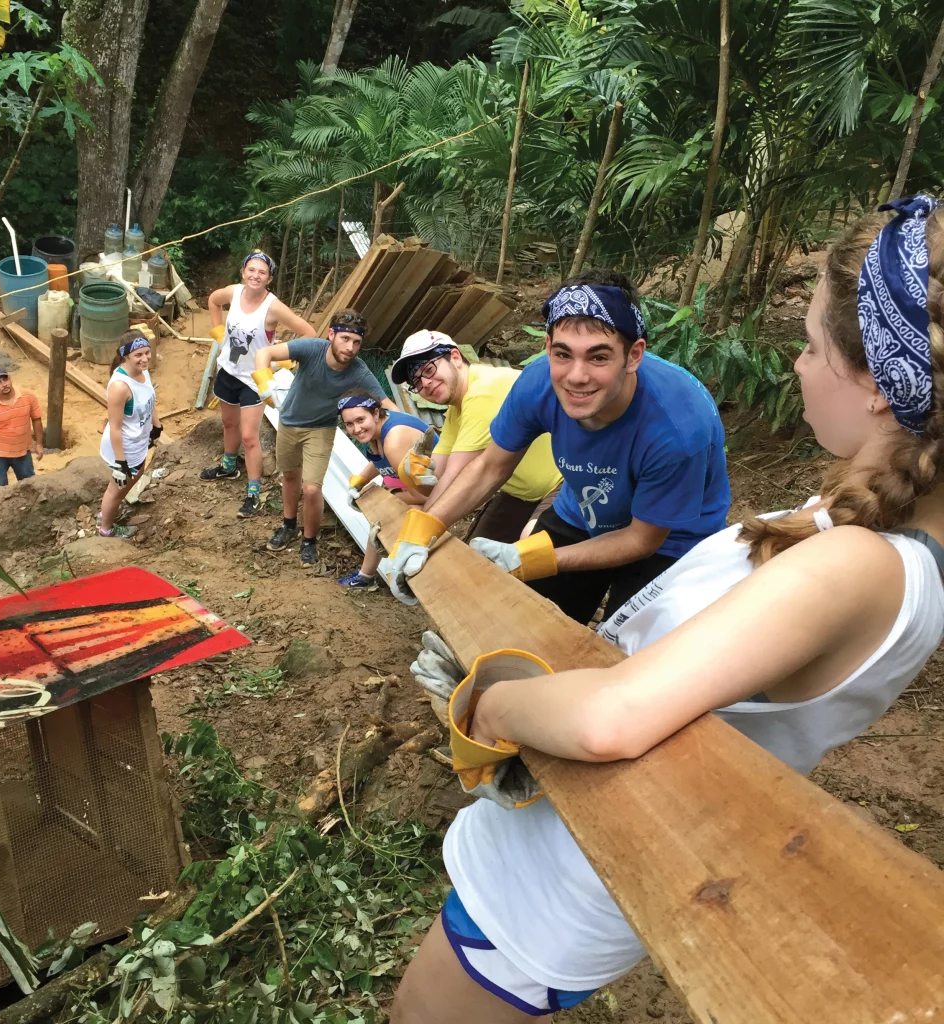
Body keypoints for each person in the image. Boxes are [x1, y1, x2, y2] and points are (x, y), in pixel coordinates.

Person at [390, 196, 944, 1023]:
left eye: (808, 346)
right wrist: (429, 526)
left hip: (573, 873)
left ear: (874, 386)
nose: (793, 365)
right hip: (584, 829)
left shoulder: (852, 562)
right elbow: (492, 462)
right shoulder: (863, 524)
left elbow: (610, 720)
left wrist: (486, 697)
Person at [386, 270, 731, 623]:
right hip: (584, 510)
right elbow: (492, 466)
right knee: (528, 621)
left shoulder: (678, 428)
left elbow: (642, 540)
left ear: (633, 356)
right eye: (563, 354)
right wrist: (423, 530)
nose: (576, 376)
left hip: (669, 538)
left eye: (598, 357)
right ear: (548, 347)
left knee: (624, 648)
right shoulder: (537, 384)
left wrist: (535, 557)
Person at [388, 331, 563, 542]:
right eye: (416, 382)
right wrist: (413, 476)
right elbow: (437, 478)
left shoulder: (484, 390)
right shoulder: (455, 410)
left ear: (455, 357)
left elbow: (455, 478)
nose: (425, 383)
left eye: (429, 369)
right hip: (524, 494)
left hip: (564, 483)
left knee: (532, 548)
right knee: (478, 552)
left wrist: (417, 534)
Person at [252, 310, 397, 564]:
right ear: (332, 334)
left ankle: (309, 540)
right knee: (289, 475)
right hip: (288, 421)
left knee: (311, 488)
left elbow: (387, 405)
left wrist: (411, 431)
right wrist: (264, 382)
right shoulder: (311, 349)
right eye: (345, 339)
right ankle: (288, 525)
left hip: (321, 428)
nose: (350, 348)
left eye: (356, 342)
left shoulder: (358, 371)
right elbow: (266, 353)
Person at [200, 250, 314, 519]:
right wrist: (219, 335)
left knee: (250, 437)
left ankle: (253, 492)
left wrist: (284, 358)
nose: (255, 275)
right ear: (243, 272)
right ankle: (229, 465)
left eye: (262, 272)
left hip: (254, 379)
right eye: (251, 270)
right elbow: (213, 301)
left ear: (269, 278)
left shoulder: (272, 306)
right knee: (228, 424)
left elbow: (308, 333)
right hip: (228, 370)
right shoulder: (233, 292)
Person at [336, 390, 437, 590]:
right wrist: (359, 481)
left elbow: (424, 496)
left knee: (391, 516)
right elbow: (381, 462)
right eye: (349, 424)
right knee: (379, 519)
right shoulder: (375, 432)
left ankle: (416, 585)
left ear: (375, 414)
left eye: (360, 420)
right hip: (412, 484)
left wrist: (387, 498)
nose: (356, 429)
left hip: (436, 491)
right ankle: (366, 576)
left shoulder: (393, 440)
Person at [98, 331, 161, 540]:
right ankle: (106, 528)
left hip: (138, 440)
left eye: (147, 352)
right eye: (138, 355)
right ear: (126, 356)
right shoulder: (119, 387)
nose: (145, 359)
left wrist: (156, 425)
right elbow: (115, 427)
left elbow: (150, 397)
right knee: (116, 489)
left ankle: (109, 511)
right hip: (124, 446)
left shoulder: (143, 372)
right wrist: (120, 462)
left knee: (138, 473)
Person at [0, 367, 43, 487]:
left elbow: (36, 419)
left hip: (23, 452)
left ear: (10, 378)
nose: (4, 384)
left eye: (5, 379)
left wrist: (39, 443)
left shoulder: (28, 396)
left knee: (30, 487)